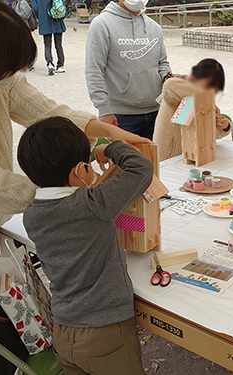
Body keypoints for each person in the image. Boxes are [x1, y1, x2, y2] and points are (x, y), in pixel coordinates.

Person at [0, 1, 150, 266]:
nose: (13, 77)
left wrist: (109, 131)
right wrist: (67, 192)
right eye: (9, 69)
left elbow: (47, 112)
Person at [19, 117, 152, 375]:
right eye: (89, 165)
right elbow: (141, 169)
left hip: (64, 331)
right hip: (106, 334)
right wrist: (108, 148)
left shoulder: (31, 214)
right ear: (80, 170)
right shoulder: (93, 204)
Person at [86, 0, 171, 140]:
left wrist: (168, 77)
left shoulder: (154, 27)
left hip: (157, 111)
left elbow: (162, 63)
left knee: (157, 161)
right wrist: (103, 110)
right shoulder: (101, 24)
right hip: (121, 117)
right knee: (128, 161)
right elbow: (94, 70)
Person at [154, 59, 232, 161]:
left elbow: (211, 132)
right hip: (168, 155)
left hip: (193, 156)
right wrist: (204, 99)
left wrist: (224, 126)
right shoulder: (180, 91)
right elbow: (169, 85)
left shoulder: (205, 101)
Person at [32, 0, 66, 75]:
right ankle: (61, 65)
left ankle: (50, 63)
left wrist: (40, 16)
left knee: (47, 44)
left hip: (45, 20)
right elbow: (63, 4)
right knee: (59, 44)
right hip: (57, 19)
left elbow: (34, 8)